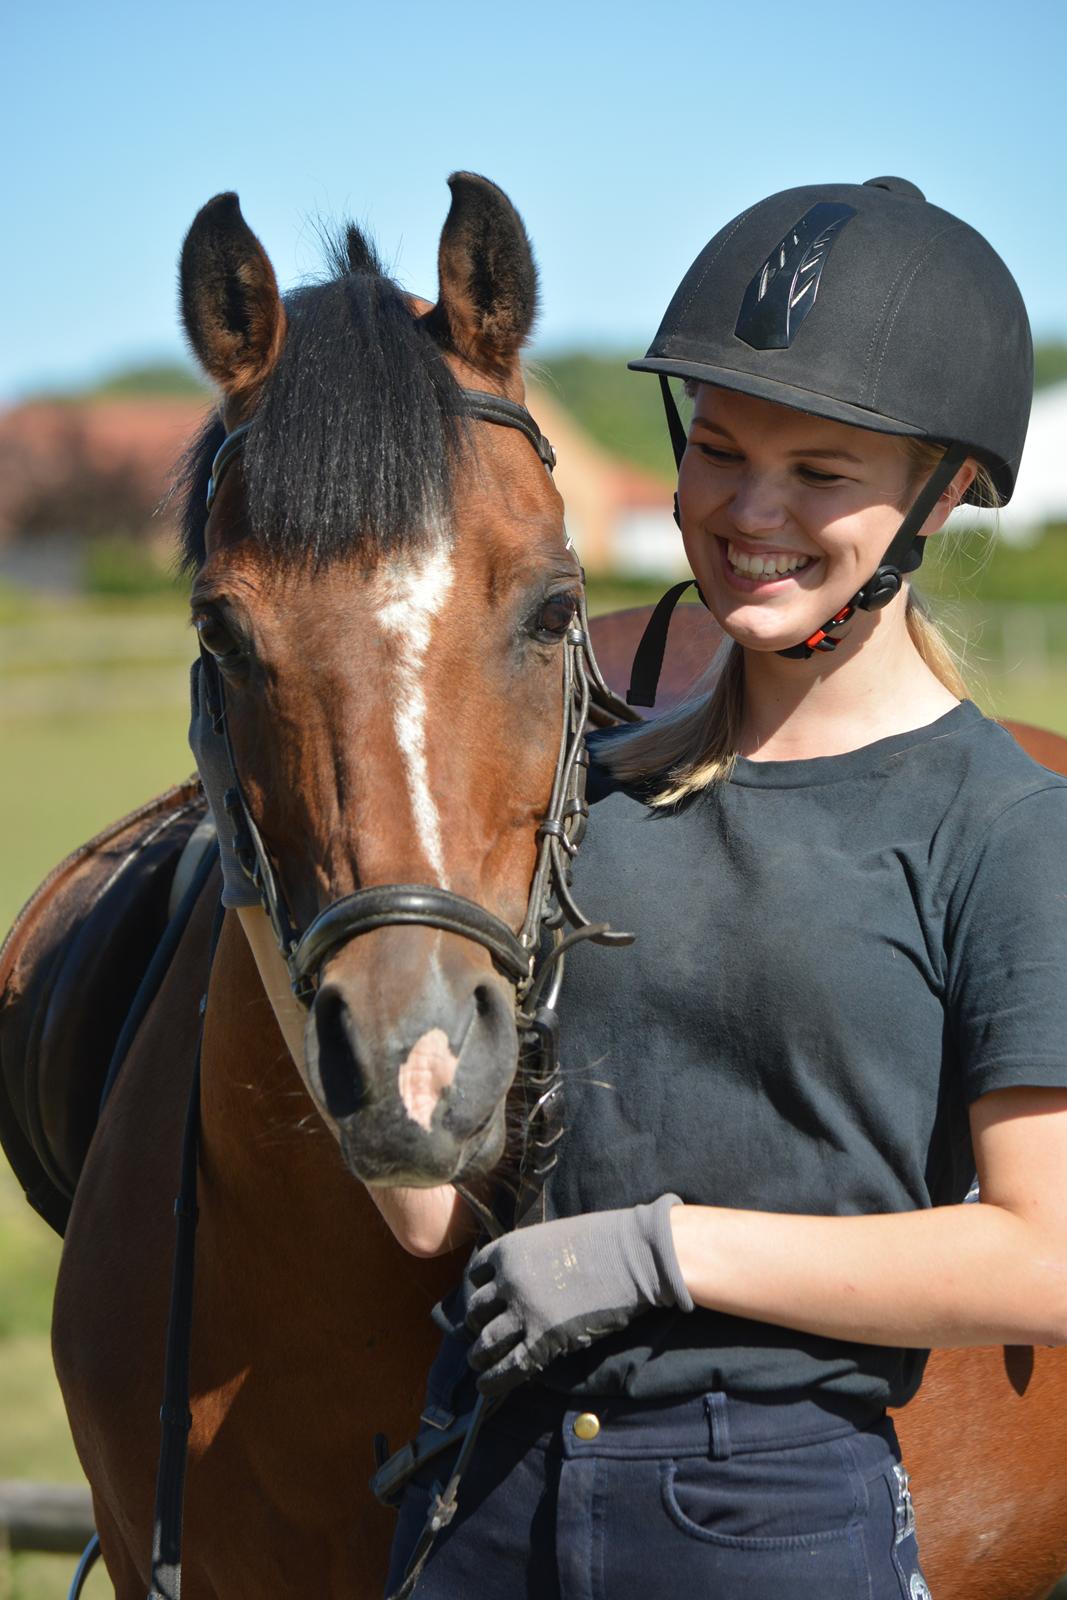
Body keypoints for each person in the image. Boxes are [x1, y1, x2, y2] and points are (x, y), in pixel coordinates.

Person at [193, 177, 1067, 1600]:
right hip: (489, 1500)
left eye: (819, 472)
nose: (752, 511)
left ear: (945, 491)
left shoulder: (1006, 827)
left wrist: (659, 1254)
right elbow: (428, 1203)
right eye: (718, 449)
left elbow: (1047, 1262)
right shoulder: (582, 807)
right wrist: (253, 869)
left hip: (772, 1517)